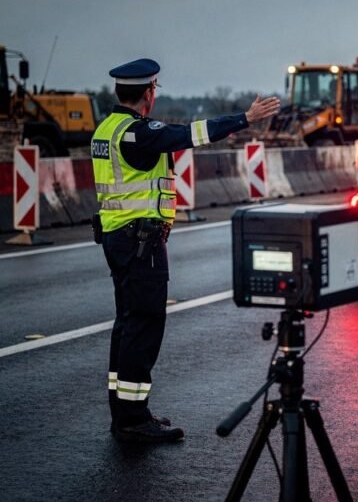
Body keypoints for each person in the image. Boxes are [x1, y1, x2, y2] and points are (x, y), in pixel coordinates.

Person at [93, 58, 280, 443]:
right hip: (140, 242)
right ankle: (132, 420)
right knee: (143, 326)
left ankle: (125, 411)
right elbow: (192, 133)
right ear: (148, 93)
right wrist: (245, 117)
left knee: (127, 324)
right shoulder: (137, 134)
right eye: (155, 90)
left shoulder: (106, 129)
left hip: (117, 238)